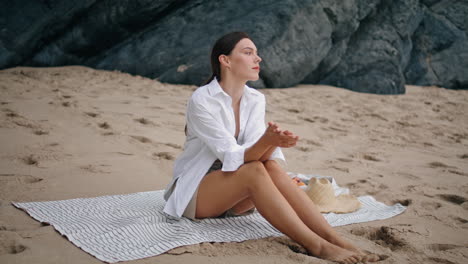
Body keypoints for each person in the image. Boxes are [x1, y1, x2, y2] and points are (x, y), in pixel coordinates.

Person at [163, 31, 378, 264]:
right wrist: (267, 141)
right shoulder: (202, 100)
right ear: (225, 60)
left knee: (271, 166)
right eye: (248, 53)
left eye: (257, 53)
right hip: (195, 195)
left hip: (236, 197)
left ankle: (333, 238)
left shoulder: (255, 99)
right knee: (254, 170)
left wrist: (273, 143)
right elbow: (233, 157)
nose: (258, 59)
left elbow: (259, 158)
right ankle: (317, 246)